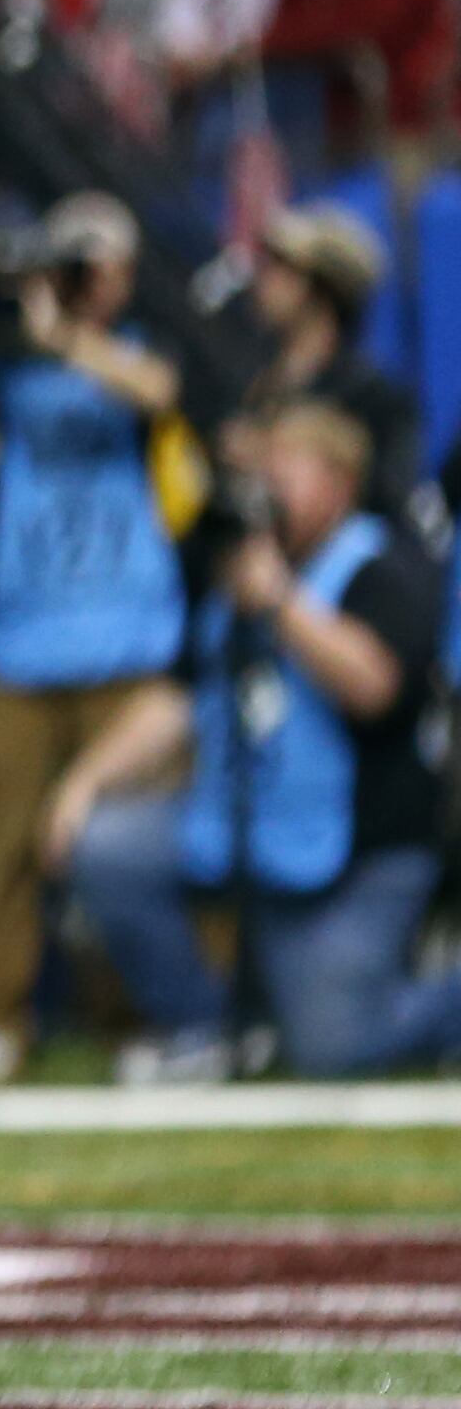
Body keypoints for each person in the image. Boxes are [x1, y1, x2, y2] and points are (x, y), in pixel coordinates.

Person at [51, 400, 454, 1080]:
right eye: (264, 468)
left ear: (340, 482)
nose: (269, 487)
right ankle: (203, 1026)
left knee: (333, 1051)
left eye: (288, 469)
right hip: (249, 831)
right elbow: (182, 694)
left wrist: (280, 604)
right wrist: (83, 783)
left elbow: (376, 687)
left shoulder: (384, 564)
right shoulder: (235, 567)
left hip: (364, 853)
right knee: (110, 845)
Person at [0, 192, 188, 1087]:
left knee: (117, 848)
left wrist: (60, 332)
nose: (86, 276)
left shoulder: (138, 350)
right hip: (19, 639)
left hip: (127, 635)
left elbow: (159, 397)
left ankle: (139, 1021)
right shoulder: (4, 362)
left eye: (96, 260)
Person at [239, 204, 420, 520]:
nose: (264, 280)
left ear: (322, 289)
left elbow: (388, 505)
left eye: (283, 267)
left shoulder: (375, 401)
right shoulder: (255, 380)